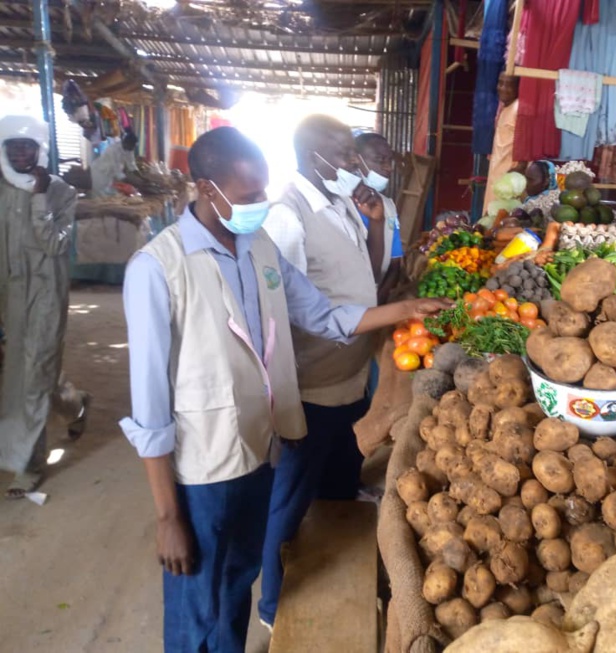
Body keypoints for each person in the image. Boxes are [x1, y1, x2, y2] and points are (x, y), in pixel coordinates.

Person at [120, 126, 447, 653]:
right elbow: (150, 410)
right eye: (248, 197)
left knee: (237, 579)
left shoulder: (260, 246)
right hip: (202, 468)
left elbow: (322, 315)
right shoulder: (158, 269)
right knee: (197, 601)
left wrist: (405, 310)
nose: (259, 205)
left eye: (262, 192)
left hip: (257, 447)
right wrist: (167, 516)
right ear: (207, 189)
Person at [259, 114, 391, 631]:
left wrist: (376, 224)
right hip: (312, 383)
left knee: (338, 474)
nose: (353, 163)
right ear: (313, 157)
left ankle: (335, 547)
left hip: (349, 373)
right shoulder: (286, 217)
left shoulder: (340, 203)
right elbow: (287, 309)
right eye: (343, 154)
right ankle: (272, 603)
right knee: (289, 496)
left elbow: (370, 276)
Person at [0, 115, 88, 498]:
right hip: (10, 296)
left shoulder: (61, 193)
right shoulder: (1, 189)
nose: (20, 154)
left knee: (32, 378)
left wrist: (38, 198)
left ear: (40, 151)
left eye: (28, 147)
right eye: (12, 147)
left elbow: (55, 244)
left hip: (46, 298)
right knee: (25, 375)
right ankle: (75, 405)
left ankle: (30, 465)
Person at [355, 131, 403, 304]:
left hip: (377, 298)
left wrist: (378, 301)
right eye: (380, 160)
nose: (389, 167)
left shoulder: (388, 206)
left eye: (389, 160)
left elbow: (395, 263)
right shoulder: (339, 207)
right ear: (356, 160)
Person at [483, 73, 525, 211]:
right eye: (500, 83)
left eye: (509, 85)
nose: (503, 88)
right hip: (498, 171)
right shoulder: (505, 108)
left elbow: (524, 143)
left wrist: (518, 170)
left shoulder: (520, 109)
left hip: (509, 174)